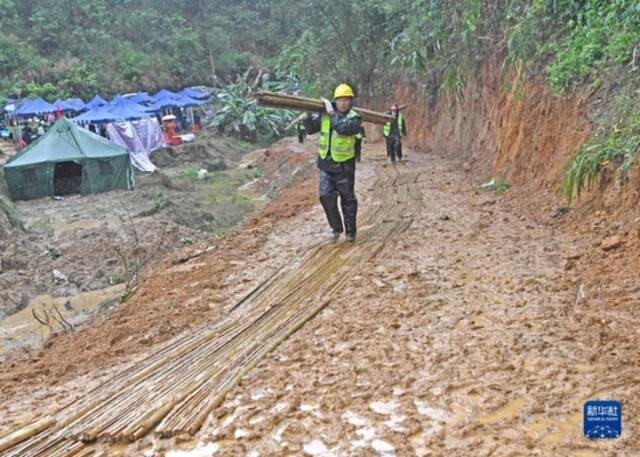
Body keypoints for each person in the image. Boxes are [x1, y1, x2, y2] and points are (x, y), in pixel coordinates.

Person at [303, 83, 362, 242]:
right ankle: (336, 228)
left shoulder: (354, 118)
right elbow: (311, 129)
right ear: (335, 101)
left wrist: (330, 111)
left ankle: (351, 232)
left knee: (348, 200)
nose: (343, 103)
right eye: (340, 100)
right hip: (326, 165)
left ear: (351, 102)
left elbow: (342, 128)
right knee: (325, 197)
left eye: (346, 100)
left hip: (345, 167)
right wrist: (307, 117)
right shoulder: (324, 115)